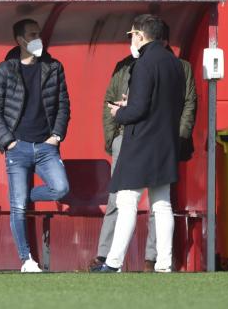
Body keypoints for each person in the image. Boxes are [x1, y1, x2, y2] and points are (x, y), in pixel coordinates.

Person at [90, 21, 197, 272]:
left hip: (141, 143)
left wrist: (120, 112)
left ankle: (113, 263)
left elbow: (138, 110)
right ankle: (164, 263)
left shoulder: (143, 63)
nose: (132, 40)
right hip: (166, 142)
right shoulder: (176, 64)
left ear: (139, 35)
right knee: (162, 205)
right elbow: (169, 103)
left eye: (133, 35)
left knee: (127, 202)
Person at [0, 18, 71, 273]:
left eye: (39, 33)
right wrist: (8, 142)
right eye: (32, 34)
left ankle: (23, 197)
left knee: (60, 189)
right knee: (17, 207)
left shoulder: (53, 67)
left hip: (47, 146)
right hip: (18, 147)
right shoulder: (5, 69)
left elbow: (63, 105)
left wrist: (56, 136)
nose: (38, 38)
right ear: (20, 40)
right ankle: (27, 259)